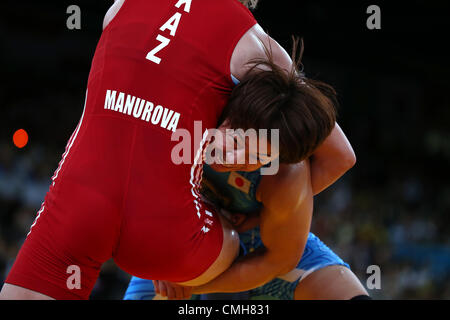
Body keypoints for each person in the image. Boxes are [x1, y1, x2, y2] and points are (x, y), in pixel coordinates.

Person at [0, 0, 356, 300]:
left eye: (259, 153)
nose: (241, 155)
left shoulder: (122, 6)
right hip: (178, 238)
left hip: (93, 204)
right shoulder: (254, 47)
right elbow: (337, 151)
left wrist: (275, 209)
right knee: (226, 244)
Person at [124, 55, 369, 301]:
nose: (236, 159)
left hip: (265, 250)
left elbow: (276, 262)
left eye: (259, 156)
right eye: (237, 141)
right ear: (228, 112)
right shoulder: (191, 114)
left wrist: (193, 286)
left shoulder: (286, 174)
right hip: (191, 241)